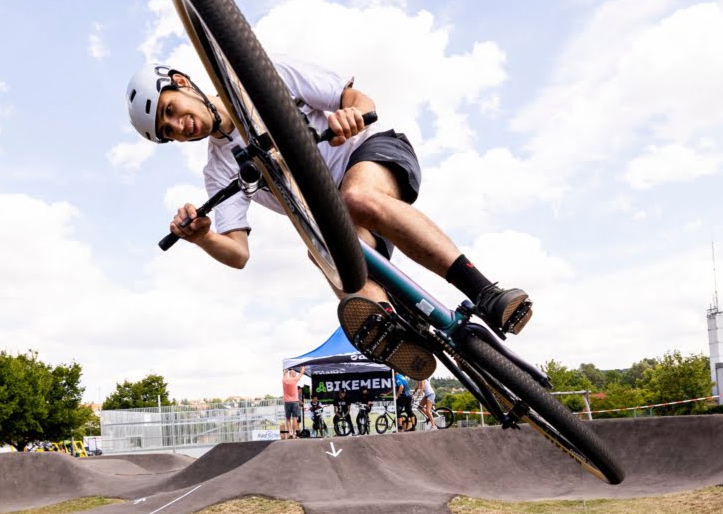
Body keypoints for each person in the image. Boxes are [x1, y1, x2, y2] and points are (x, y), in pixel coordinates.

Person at [127, 59, 534, 381]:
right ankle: (397, 335)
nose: (181, 127)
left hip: (372, 156)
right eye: (169, 132)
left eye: (171, 111)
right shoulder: (218, 169)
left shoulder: (262, 77)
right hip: (339, 222)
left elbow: (360, 99)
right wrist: (203, 238)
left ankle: (485, 293)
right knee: (318, 249)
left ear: (182, 82)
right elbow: (238, 253)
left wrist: (350, 115)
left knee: (355, 197)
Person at [282, 367, 305, 439]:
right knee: (294, 418)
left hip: (287, 402)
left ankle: (290, 433)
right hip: (295, 401)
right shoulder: (295, 380)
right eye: (295, 373)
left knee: (288, 418)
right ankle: (294, 434)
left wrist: (286, 371)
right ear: (294, 374)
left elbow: (285, 373)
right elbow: (301, 372)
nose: (295, 374)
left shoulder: (284, 380)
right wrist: (303, 367)